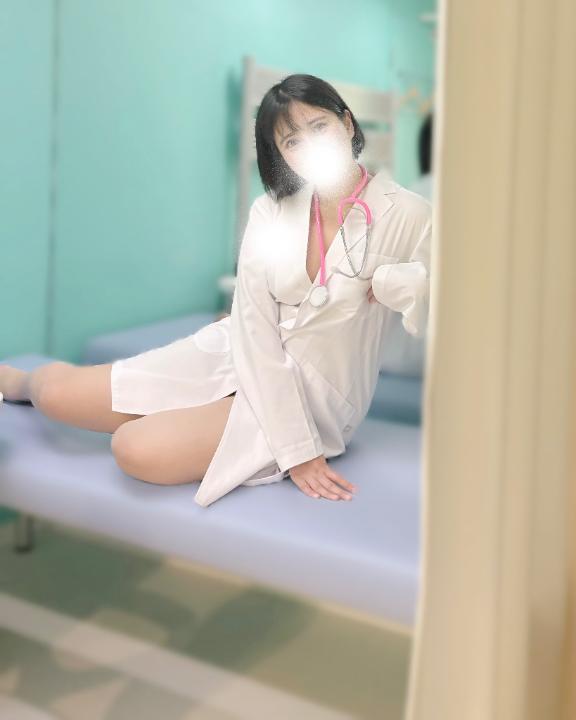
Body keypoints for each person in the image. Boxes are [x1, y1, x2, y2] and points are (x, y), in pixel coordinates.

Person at [0, 73, 432, 507]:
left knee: (134, 447)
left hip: (315, 397)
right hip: (238, 353)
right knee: (56, 395)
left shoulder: (409, 214)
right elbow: (253, 323)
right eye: (292, 141)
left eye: (319, 126)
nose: (311, 145)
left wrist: (395, 282)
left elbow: (449, 297)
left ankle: (191, 413)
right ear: (281, 154)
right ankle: (21, 382)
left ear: (348, 123)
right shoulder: (271, 211)